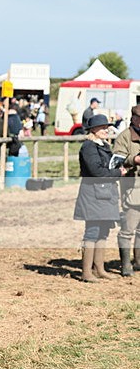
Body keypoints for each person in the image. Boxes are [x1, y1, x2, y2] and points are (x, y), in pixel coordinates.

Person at [73, 114, 127, 282]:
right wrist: (117, 173)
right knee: (93, 232)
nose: (106, 130)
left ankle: (99, 268)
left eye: (107, 127)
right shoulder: (89, 147)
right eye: (103, 127)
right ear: (94, 130)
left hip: (104, 193)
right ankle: (86, 272)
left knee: (103, 231)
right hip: (93, 194)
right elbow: (96, 171)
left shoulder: (103, 145)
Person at [112, 104, 140, 276]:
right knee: (127, 230)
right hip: (132, 190)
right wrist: (134, 159)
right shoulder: (124, 137)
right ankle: (126, 265)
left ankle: (138, 261)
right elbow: (116, 161)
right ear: (135, 118)